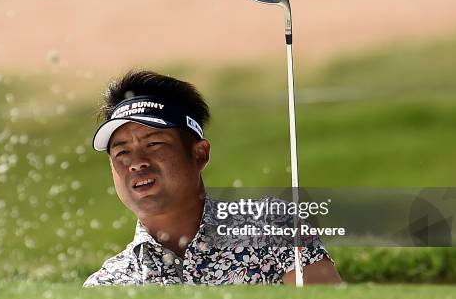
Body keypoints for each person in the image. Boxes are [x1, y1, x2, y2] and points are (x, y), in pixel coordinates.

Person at [83, 70, 341, 286]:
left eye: (155, 144)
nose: (137, 162)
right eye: (122, 152)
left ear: (199, 154)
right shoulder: (108, 286)